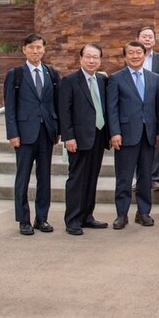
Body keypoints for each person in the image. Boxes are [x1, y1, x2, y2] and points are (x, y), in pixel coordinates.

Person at [4, 33, 60, 236]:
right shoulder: (16, 74)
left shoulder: (51, 73)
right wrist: (13, 133)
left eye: (39, 47)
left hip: (46, 133)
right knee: (23, 178)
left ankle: (41, 218)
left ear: (44, 49)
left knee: (44, 177)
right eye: (31, 48)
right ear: (24, 50)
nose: (35, 51)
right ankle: (23, 219)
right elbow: (10, 107)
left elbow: (56, 104)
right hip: (24, 134)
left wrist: (57, 129)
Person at [106, 41, 159, 229]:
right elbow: (111, 108)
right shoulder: (116, 78)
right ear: (125, 56)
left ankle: (143, 212)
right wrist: (114, 132)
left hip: (148, 135)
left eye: (139, 52)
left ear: (145, 55)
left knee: (146, 177)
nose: (135, 56)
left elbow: (157, 107)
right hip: (126, 135)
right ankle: (122, 214)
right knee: (124, 177)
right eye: (131, 53)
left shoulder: (154, 78)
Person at [57, 43, 110, 236]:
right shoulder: (70, 81)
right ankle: (72, 219)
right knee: (77, 179)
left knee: (92, 178)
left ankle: (87, 216)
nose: (92, 60)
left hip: (98, 135)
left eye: (95, 57)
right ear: (80, 59)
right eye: (88, 56)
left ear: (100, 60)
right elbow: (65, 111)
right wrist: (68, 137)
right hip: (78, 139)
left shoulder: (103, 80)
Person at [139, 25, 159, 190]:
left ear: (154, 40)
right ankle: (139, 178)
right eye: (144, 36)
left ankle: (154, 177)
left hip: (155, 105)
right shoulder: (133, 56)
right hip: (136, 106)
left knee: (155, 142)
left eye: (150, 36)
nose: (147, 39)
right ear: (138, 39)